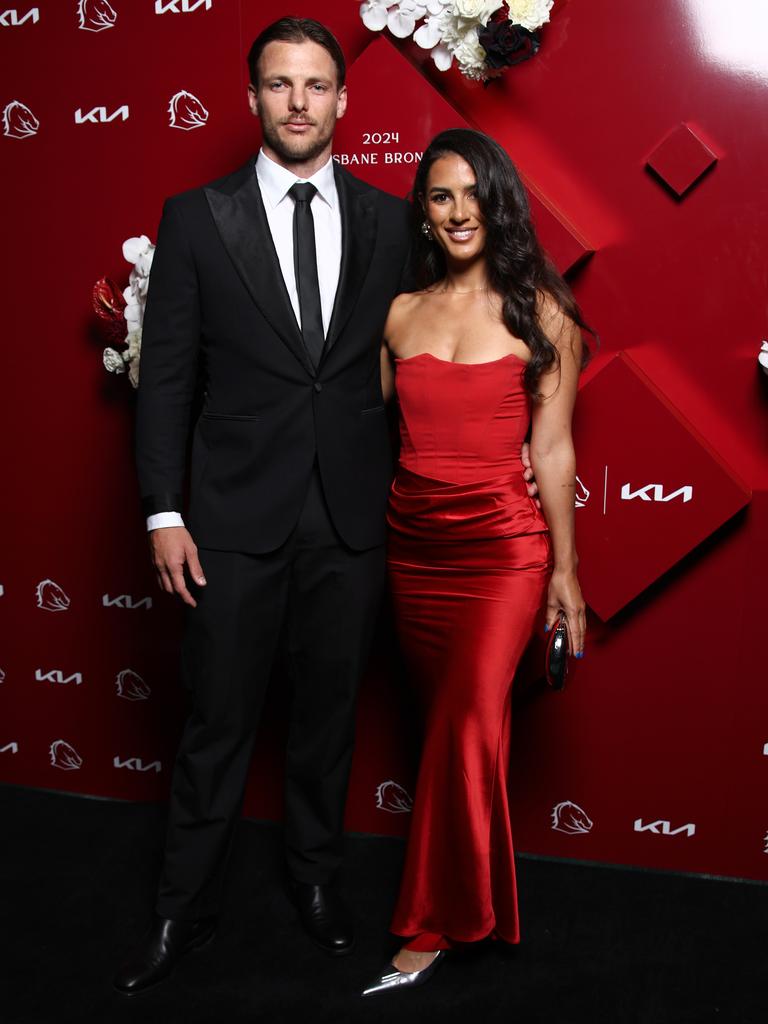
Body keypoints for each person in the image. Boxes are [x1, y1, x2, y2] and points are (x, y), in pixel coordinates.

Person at [362, 128, 591, 996]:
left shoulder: (541, 313)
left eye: (472, 194)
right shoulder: (398, 314)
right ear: (424, 211)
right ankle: (479, 900)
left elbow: (557, 449)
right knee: (461, 735)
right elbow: (345, 425)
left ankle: (429, 922)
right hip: (413, 548)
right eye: (440, 196)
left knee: (464, 725)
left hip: (502, 551)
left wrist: (564, 574)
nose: (458, 212)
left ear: (498, 204)